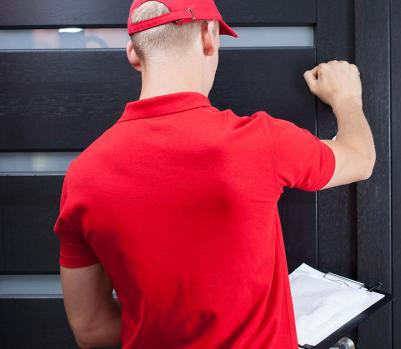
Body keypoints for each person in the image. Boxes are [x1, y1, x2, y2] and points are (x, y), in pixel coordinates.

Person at [52, 0, 375, 348]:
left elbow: (91, 329)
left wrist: (165, 322)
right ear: (208, 37)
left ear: (133, 53)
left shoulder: (83, 175)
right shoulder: (260, 141)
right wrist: (346, 98)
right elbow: (361, 159)